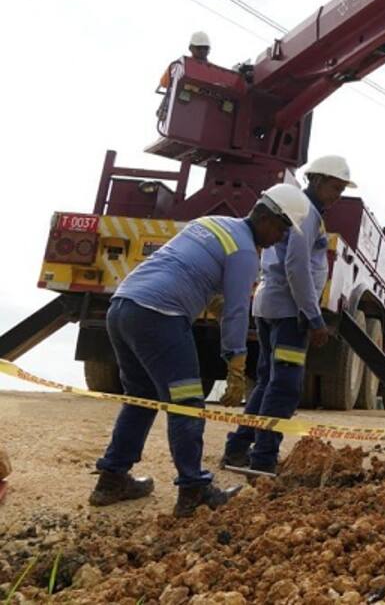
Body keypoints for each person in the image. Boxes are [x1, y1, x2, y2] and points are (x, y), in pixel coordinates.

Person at [89, 183, 310, 517]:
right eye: (280, 228)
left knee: (141, 396)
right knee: (188, 403)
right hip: (159, 314)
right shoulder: (246, 252)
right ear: (264, 216)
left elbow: (193, 271)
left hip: (123, 306)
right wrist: (236, 362)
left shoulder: (212, 223)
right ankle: (194, 489)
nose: (280, 238)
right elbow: (236, 310)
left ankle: (111, 479)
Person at [222, 156, 354, 474]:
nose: (337, 196)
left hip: (271, 306)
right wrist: (313, 317)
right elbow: (297, 268)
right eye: (335, 187)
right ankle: (263, 460)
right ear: (317, 180)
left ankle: (238, 450)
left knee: (269, 382)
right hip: (288, 312)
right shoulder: (305, 213)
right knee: (284, 387)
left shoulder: (301, 211)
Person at [157, 31, 213, 125]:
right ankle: (165, 112)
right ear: (191, 48)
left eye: (205, 48)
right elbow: (164, 83)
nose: (203, 51)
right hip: (180, 104)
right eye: (199, 48)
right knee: (173, 89)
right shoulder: (179, 65)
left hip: (199, 107)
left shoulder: (212, 70)